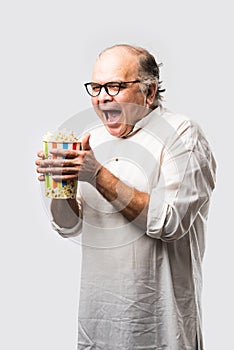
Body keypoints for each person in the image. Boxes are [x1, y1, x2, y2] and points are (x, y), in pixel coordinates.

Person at [36, 44, 216, 350]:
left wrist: (97, 175)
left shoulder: (182, 134)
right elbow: (68, 226)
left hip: (162, 330)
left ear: (149, 91)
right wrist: (60, 185)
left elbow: (170, 222)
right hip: (98, 329)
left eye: (115, 86)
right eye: (95, 87)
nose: (102, 96)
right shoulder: (94, 141)